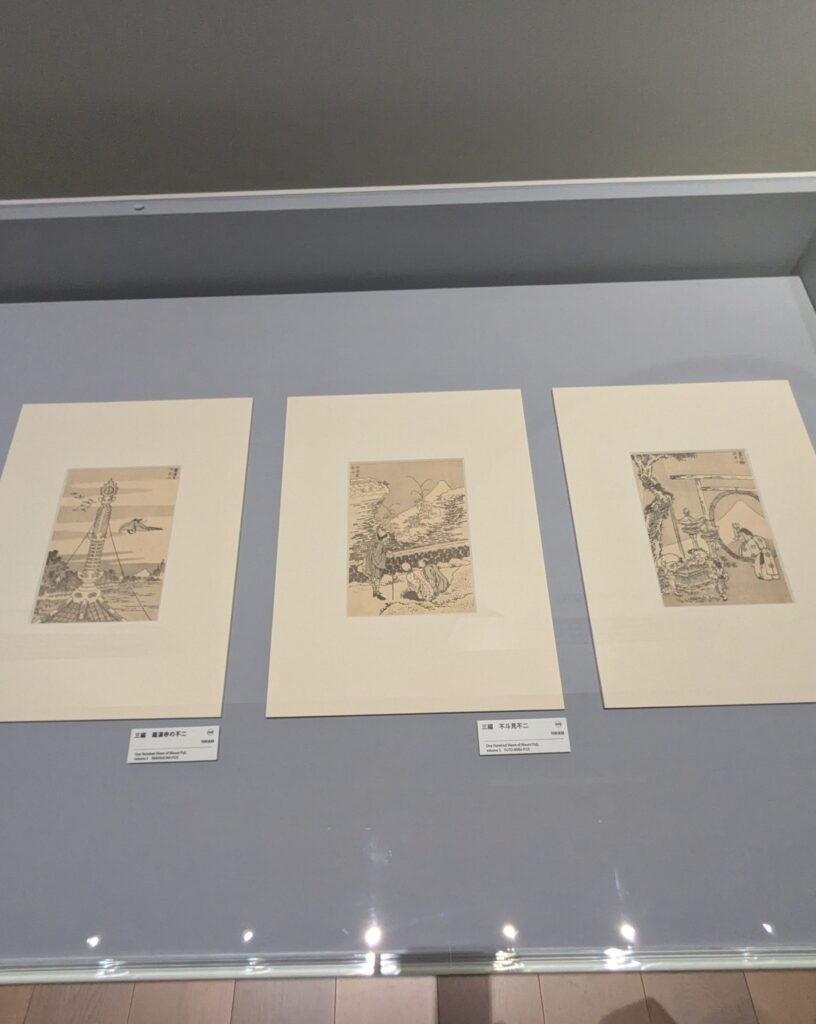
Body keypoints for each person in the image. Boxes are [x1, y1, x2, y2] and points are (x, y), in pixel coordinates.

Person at [363, 527, 392, 599]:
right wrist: (386, 554)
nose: (387, 539)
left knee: (372, 578)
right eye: (386, 538)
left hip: (370, 562)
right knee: (377, 578)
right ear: (383, 538)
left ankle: (374, 592)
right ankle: (377, 593)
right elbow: (377, 554)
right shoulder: (381, 544)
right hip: (376, 563)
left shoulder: (374, 543)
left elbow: (372, 553)